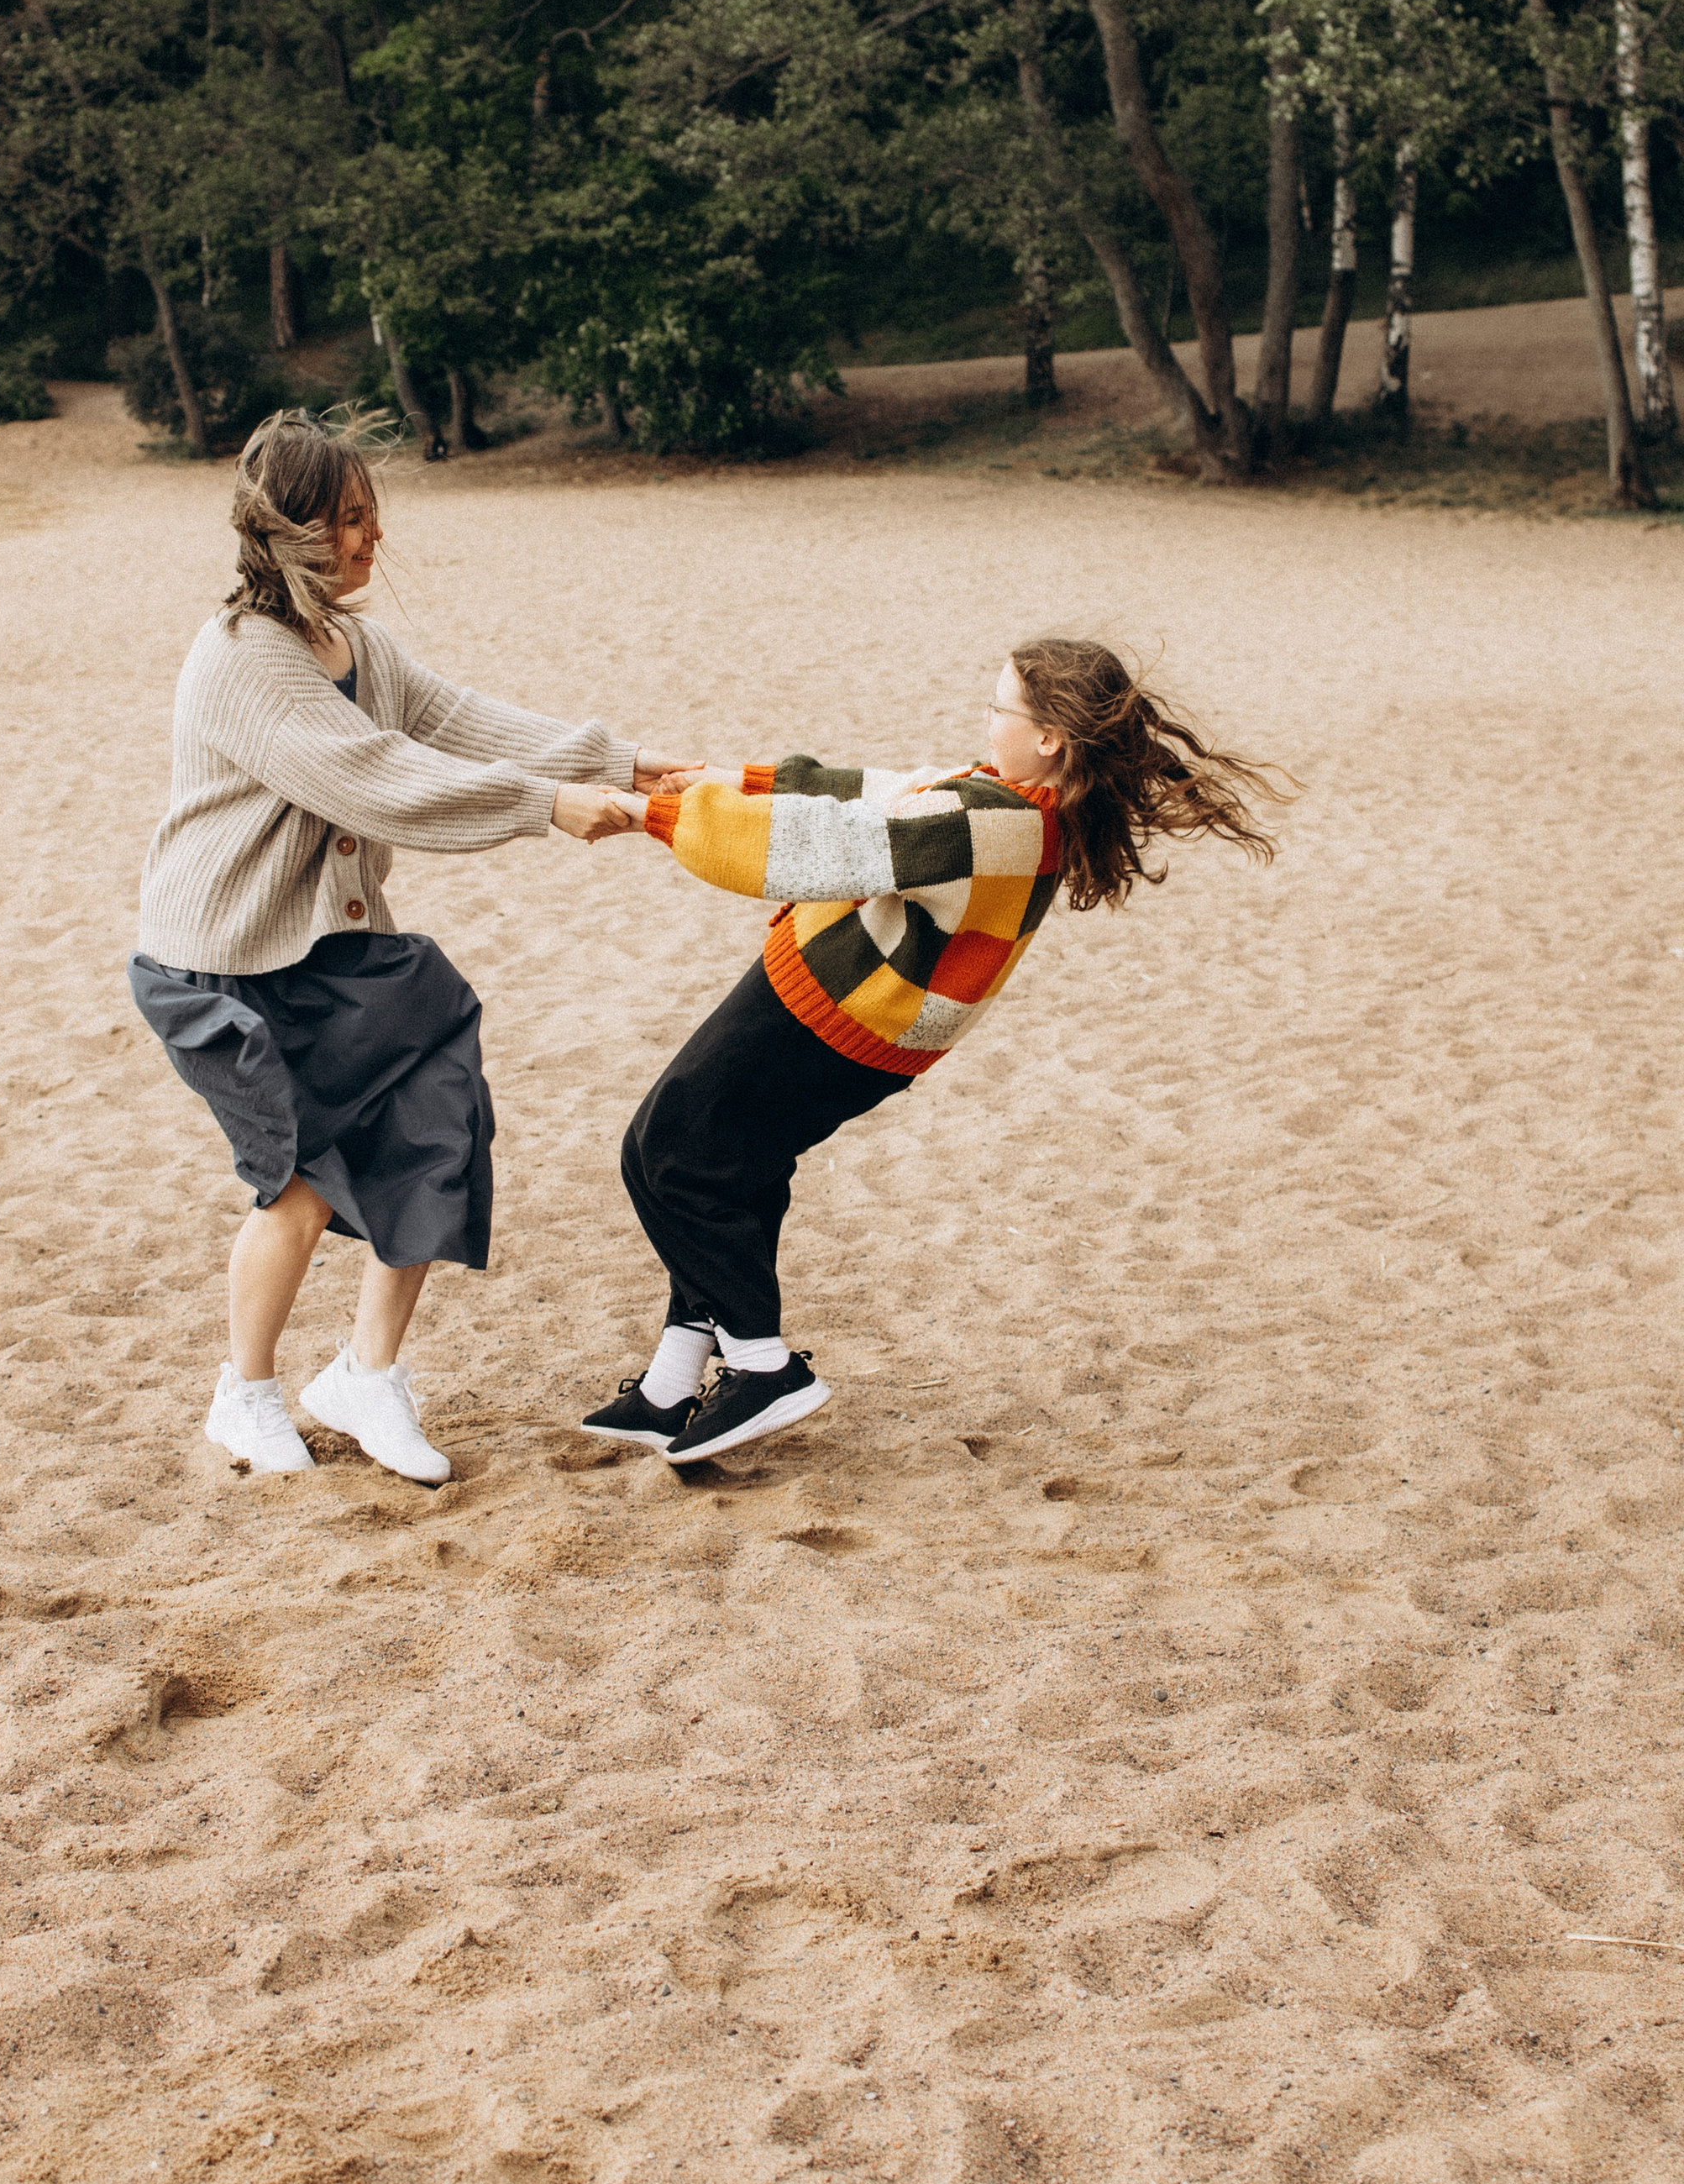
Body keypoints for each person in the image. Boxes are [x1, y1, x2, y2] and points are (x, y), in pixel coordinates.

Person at [131, 407, 690, 1485]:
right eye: (346, 521)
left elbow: (461, 721)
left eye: (372, 515)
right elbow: (374, 772)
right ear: (290, 532)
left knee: (436, 1125)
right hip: (226, 965)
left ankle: (365, 1377)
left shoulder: (357, 642)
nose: (369, 539)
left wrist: (626, 764)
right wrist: (545, 808)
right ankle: (242, 1395)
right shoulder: (244, 656)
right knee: (299, 1181)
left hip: (331, 951)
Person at [582, 638, 1287, 1465]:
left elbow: (830, 844)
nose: (987, 721)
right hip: (863, 1024)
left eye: (1000, 708)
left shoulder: (995, 823)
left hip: (835, 1010)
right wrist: (719, 777)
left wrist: (652, 815)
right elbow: (881, 792)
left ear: (1051, 737)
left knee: (667, 1152)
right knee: (725, 1161)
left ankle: (763, 1365)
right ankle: (674, 1381)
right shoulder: (1008, 803)